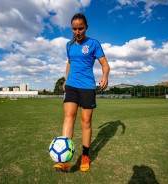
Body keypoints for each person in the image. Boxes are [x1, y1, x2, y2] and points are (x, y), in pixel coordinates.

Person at [53, 12, 110, 172]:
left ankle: (85, 156)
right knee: (69, 116)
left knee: (86, 121)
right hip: (71, 85)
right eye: (74, 29)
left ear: (86, 27)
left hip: (87, 87)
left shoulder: (93, 44)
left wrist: (105, 76)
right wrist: (65, 80)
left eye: (81, 28)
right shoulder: (69, 45)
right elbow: (69, 63)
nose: (77, 32)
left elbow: (105, 64)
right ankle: (64, 160)